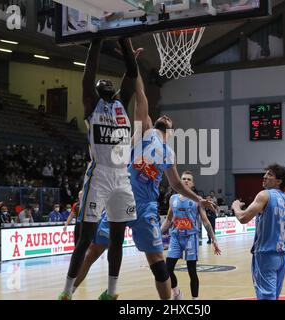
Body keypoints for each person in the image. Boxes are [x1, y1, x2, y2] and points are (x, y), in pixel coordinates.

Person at [71, 46, 217, 300]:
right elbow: (139, 94)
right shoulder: (145, 130)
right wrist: (132, 65)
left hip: (146, 208)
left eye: (169, 120)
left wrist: (198, 199)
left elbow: (177, 186)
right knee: (92, 252)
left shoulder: (168, 154)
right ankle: (68, 293)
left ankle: (169, 300)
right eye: (164, 117)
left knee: (158, 264)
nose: (165, 118)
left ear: (171, 132)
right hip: (120, 197)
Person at [58, 37, 139, 300]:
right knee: (86, 238)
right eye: (99, 83)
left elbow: (132, 72)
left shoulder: (121, 105)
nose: (105, 81)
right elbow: (88, 73)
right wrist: (96, 41)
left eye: (109, 82)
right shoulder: (92, 106)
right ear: (95, 90)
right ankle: (67, 292)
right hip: (100, 174)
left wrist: (125, 43)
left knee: (118, 239)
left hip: (122, 176)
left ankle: (112, 292)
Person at [231, 164, 285, 300]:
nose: (264, 176)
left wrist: (235, 207)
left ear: (279, 181)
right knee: (274, 296)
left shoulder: (264, 195)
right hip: (283, 257)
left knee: (266, 297)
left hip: (266, 255)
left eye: (269, 174)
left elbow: (243, 217)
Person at [161, 171, 221, 300]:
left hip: (190, 237)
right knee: (167, 269)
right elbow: (168, 220)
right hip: (176, 237)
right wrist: (157, 234)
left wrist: (214, 239)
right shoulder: (173, 199)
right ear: (180, 181)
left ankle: (195, 299)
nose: (186, 181)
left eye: (189, 179)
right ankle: (176, 292)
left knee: (192, 271)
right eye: (183, 179)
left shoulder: (197, 201)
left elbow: (205, 221)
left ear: (193, 184)